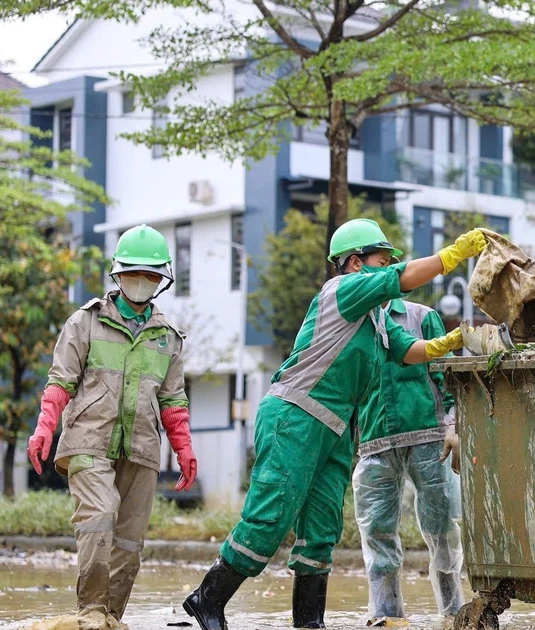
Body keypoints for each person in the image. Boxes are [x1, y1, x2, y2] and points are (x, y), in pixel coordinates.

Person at [182, 218, 485, 630]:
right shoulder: (339, 291)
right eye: (381, 260)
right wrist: (451, 256)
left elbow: (406, 350)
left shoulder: (376, 319)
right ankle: (207, 598)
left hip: (337, 428)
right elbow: (401, 277)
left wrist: (443, 344)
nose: (388, 266)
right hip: (295, 415)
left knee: (323, 528)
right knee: (270, 516)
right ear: (356, 264)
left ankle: (309, 622)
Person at [27, 224, 195, 623]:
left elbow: (173, 400)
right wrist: (43, 427)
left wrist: (184, 447)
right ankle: (90, 611)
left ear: (161, 279)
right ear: (117, 275)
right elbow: (60, 382)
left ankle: (110, 618)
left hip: (141, 448)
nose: (141, 281)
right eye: (133, 273)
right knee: (100, 518)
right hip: (88, 442)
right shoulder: (85, 323)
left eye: (150, 274)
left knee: (129, 541)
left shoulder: (167, 337)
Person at [353, 298, 465, 624]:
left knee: (442, 526)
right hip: (375, 441)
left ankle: (454, 611)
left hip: (428, 437)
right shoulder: (353, 321)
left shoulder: (421, 317)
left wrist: (454, 424)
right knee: (377, 532)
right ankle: (387, 616)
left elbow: (449, 377)